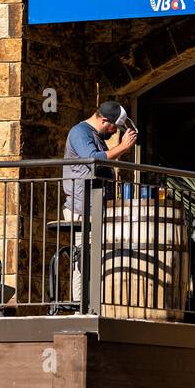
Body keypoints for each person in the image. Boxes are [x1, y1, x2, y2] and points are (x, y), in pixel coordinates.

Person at [59, 101, 138, 303]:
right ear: (104, 120)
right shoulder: (80, 132)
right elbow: (92, 160)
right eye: (114, 127)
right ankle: (81, 307)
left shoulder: (96, 136)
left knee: (97, 259)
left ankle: (95, 303)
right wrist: (122, 147)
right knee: (83, 260)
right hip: (82, 209)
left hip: (96, 209)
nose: (115, 132)